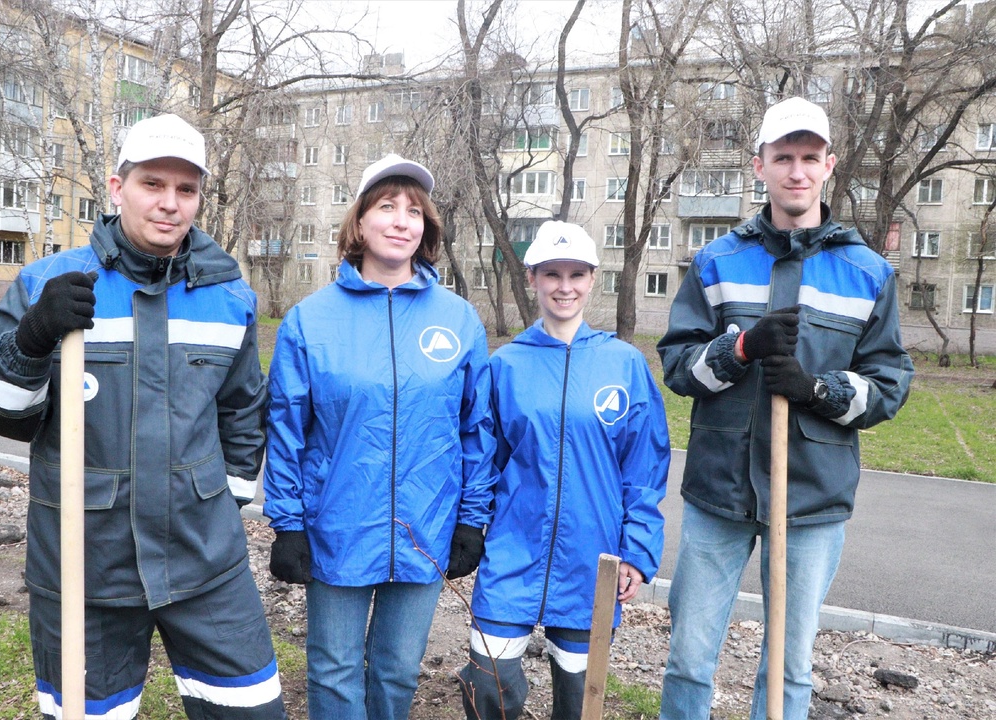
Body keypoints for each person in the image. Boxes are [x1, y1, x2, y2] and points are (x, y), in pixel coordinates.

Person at [0, 114, 286, 720]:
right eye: (152, 184)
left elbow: (242, 410)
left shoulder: (229, 297)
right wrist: (32, 338)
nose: (169, 203)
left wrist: (224, 502)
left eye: (185, 189)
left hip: (206, 564)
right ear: (117, 188)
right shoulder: (47, 284)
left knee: (251, 710)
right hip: (86, 566)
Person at [656, 96, 914, 720]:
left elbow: (889, 385)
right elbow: (678, 367)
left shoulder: (867, 272)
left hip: (811, 497)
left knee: (790, 668)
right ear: (760, 166)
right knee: (689, 658)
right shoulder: (717, 262)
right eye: (783, 158)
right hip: (720, 492)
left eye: (809, 158)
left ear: (829, 165)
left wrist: (815, 390)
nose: (796, 171)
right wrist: (741, 348)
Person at [264, 154, 496, 720]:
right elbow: (287, 428)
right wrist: (288, 524)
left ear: (427, 227)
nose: (401, 221)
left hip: (427, 526)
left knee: (396, 669)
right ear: (360, 222)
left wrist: (471, 519)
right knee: (333, 668)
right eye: (387, 207)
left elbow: (476, 429)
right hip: (337, 527)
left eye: (414, 211)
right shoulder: (310, 320)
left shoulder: (459, 320)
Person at [458, 221, 671, 720]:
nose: (564, 286)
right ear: (532, 278)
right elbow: (482, 460)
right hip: (512, 552)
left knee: (578, 699)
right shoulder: (507, 365)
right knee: (488, 683)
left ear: (593, 278)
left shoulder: (624, 364)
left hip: (590, 560)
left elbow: (644, 469)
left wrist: (636, 551)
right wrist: (469, 526)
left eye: (576, 274)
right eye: (552, 274)